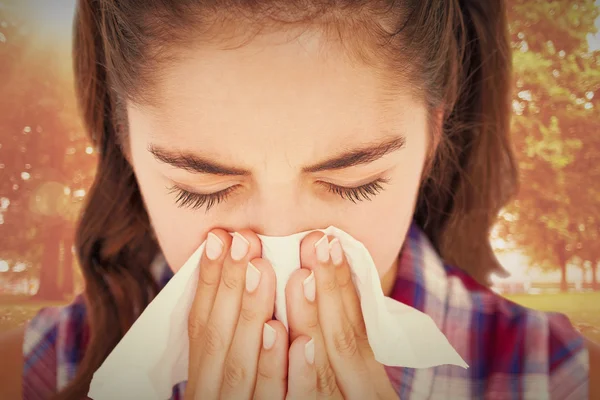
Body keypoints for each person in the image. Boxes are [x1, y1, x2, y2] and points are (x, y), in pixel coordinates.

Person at [0, 0, 598, 399]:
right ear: (127, 144)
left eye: (352, 183)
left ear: (433, 134)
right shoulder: (36, 371)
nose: (279, 251)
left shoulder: (559, 376)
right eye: (200, 189)